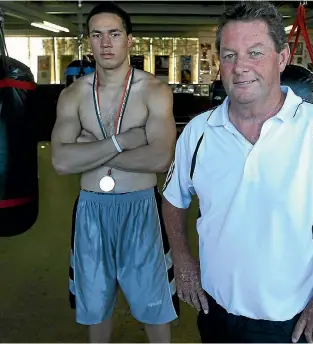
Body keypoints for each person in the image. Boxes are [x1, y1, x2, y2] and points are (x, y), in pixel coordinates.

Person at [161, 1, 313, 343]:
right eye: (229, 55)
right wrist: (183, 261)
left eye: (255, 52)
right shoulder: (198, 132)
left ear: (283, 57)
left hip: (289, 323)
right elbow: (173, 199)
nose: (240, 67)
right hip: (214, 314)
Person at [51, 3, 178, 343]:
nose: (105, 43)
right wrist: (123, 142)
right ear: (88, 42)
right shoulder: (73, 96)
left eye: (114, 34)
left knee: (155, 306)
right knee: (96, 304)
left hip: (141, 209)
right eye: (97, 34)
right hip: (91, 210)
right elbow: (61, 162)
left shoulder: (154, 91)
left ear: (129, 41)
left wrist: (90, 149)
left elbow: (161, 158)